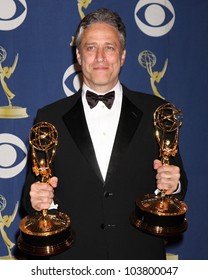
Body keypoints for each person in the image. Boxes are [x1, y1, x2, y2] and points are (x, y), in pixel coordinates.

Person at [20, 8, 187, 260]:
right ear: (78, 55)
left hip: (139, 257)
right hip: (73, 259)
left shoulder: (156, 110)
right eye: (90, 48)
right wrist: (37, 199)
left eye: (109, 47)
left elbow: (178, 178)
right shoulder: (49, 117)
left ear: (122, 56)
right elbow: (29, 193)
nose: (100, 57)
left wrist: (173, 185)